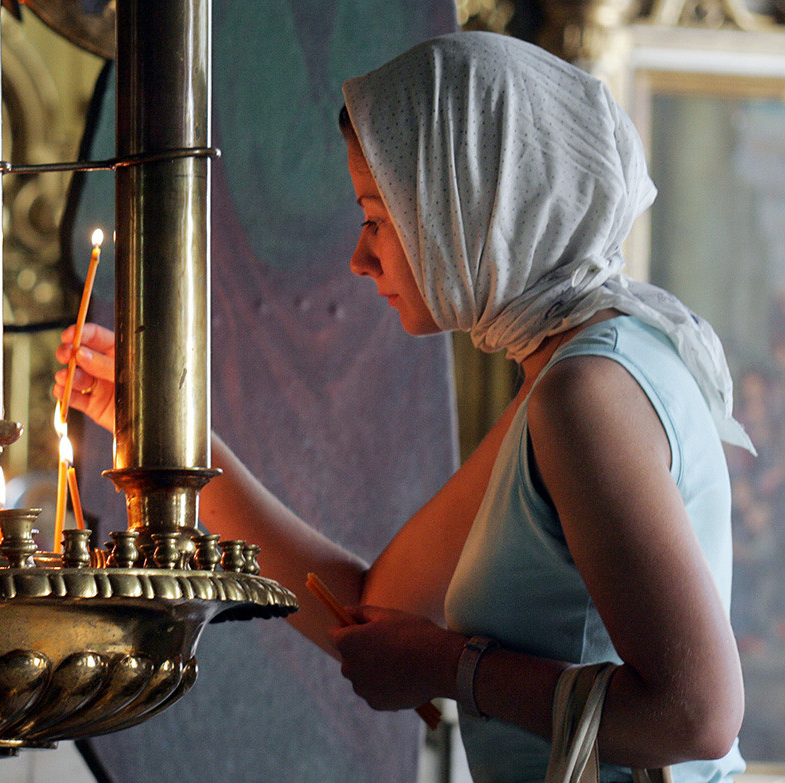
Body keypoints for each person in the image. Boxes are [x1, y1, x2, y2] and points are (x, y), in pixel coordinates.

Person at [54, 31, 752, 783]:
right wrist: (157, 431)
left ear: (468, 205)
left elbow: (697, 716)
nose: (361, 257)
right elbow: (369, 605)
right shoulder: (574, 374)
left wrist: (451, 666)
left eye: (377, 217)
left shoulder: (586, 392)